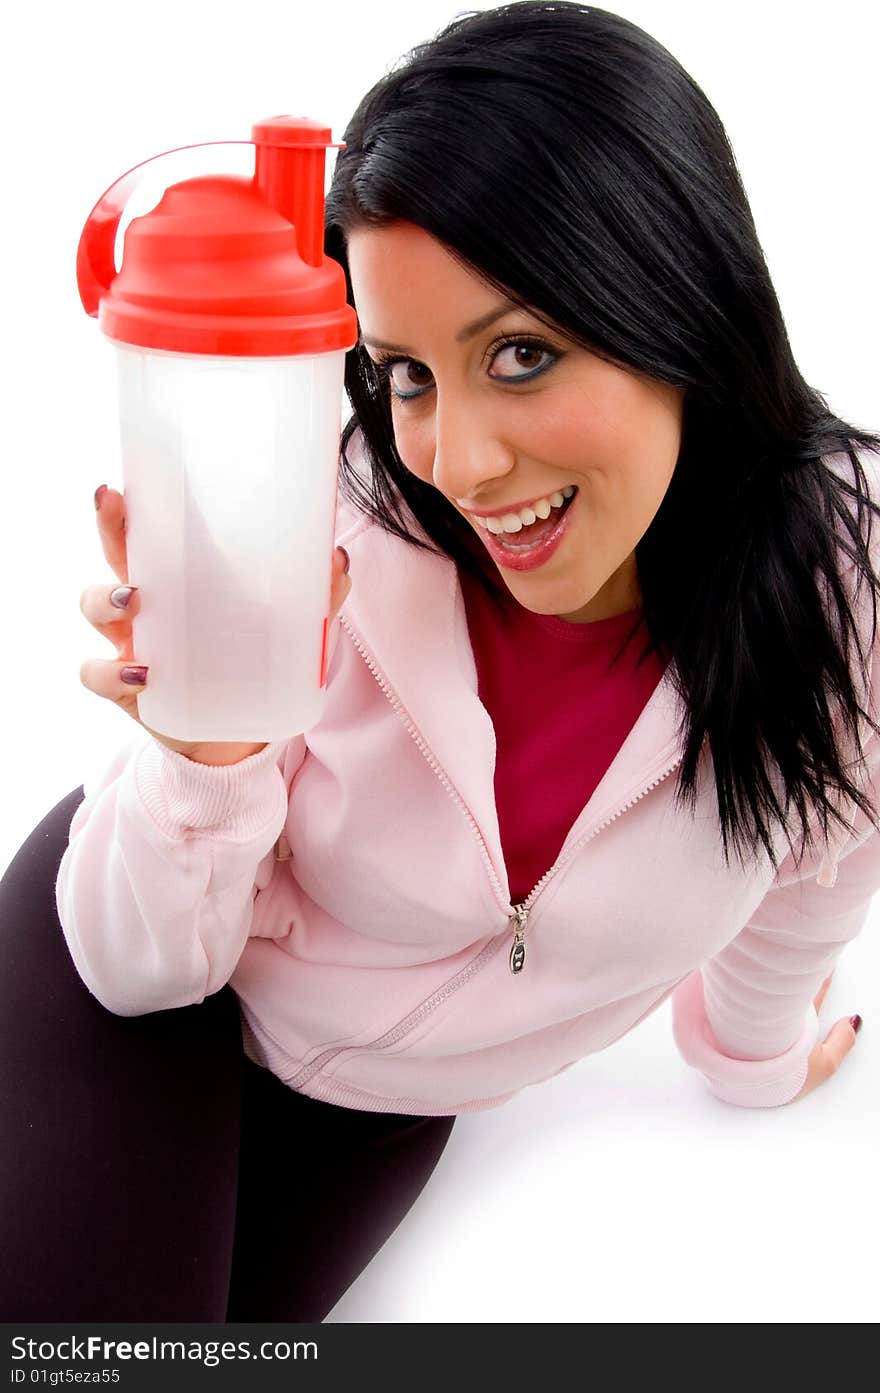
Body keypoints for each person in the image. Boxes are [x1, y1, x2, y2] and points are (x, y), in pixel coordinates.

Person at [2, 0, 878, 1323]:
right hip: (135, 957)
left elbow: (821, 848)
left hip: (375, 1103)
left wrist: (751, 1057)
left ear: (684, 304)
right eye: (406, 373)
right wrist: (207, 749)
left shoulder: (849, 592)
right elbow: (141, 961)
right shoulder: (318, 513)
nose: (456, 463)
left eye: (519, 357)